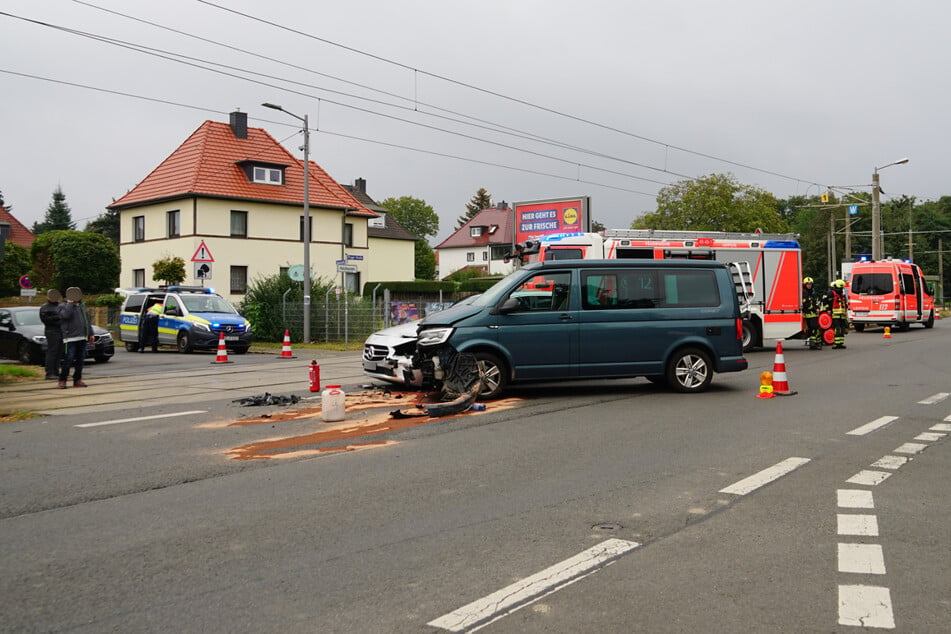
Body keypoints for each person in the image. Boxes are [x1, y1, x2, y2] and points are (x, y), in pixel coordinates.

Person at [57, 287, 94, 388]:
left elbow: (87, 321)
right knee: (68, 359)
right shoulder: (62, 306)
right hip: (70, 338)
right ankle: (62, 380)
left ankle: (77, 380)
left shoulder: (82, 306)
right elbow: (65, 316)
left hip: (82, 337)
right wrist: (70, 304)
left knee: (81, 360)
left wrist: (91, 333)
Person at [39, 289, 64, 379]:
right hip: (52, 331)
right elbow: (46, 320)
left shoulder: (60, 306)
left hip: (61, 331)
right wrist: (57, 317)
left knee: (59, 352)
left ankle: (56, 371)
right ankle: (49, 373)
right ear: (48, 297)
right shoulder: (45, 307)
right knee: (52, 351)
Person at [827, 279, 849, 349]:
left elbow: (844, 305)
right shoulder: (832, 293)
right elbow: (828, 303)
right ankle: (836, 343)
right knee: (837, 328)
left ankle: (840, 343)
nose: (842, 289)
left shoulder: (842, 295)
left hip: (842, 315)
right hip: (835, 314)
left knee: (842, 329)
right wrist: (829, 310)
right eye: (841, 288)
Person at [801, 277, 822, 350]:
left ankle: (816, 343)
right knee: (813, 328)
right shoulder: (804, 292)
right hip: (809, 314)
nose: (809, 285)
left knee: (815, 328)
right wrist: (815, 309)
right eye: (808, 284)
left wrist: (818, 308)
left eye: (810, 284)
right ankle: (813, 344)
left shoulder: (812, 292)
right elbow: (806, 304)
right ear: (805, 285)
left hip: (813, 313)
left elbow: (814, 302)